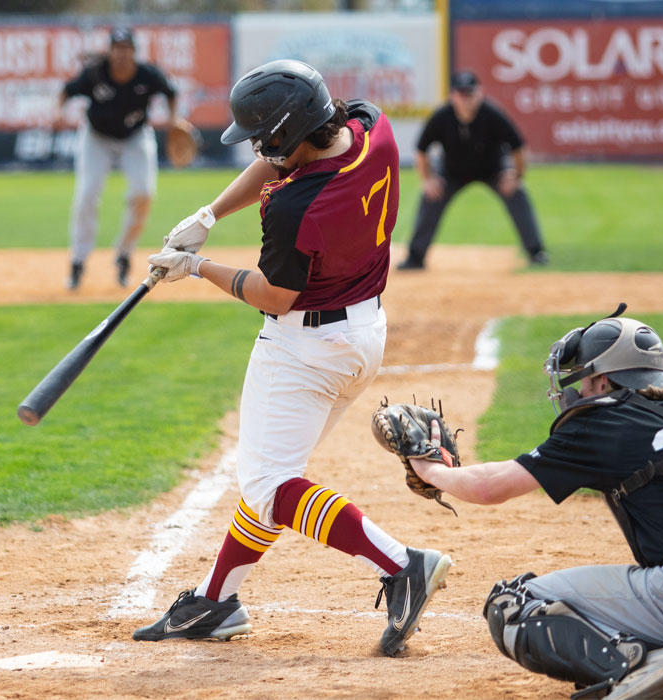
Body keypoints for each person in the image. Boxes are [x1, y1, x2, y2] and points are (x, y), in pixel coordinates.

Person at [131, 59, 452, 657]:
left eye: (265, 138)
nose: (259, 148)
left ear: (289, 133)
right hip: (363, 335)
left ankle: (401, 563)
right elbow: (287, 155)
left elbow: (275, 293)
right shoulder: (371, 129)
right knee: (269, 479)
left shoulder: (296, 207)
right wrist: (209, 215)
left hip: (304, 347)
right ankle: (217, 600)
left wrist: (196, 267)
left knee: (272, 484)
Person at [407, 308, 663, 699]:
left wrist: (431, 471)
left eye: (584, 381)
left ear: (604, 381)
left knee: (512, 602)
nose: (580, 392)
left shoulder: (603, 420)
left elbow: (490, 486)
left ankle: (638, 662)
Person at [55, 27, 188, 290]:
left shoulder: (147, 74)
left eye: (127, 48)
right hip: (97, 138)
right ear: (110, 51)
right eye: (117, 48)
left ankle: (124, 254)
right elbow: (66, 92)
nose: (122, 53)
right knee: (87, 194)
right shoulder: (95, 73)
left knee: (144, 194)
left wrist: (173, 119)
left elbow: (171, 93)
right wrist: (58, 113)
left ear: (134, 52)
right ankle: (78, 261)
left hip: (135, 137)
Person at [396, 70, 548, 270]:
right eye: (462, 94)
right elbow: (422, 150)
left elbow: (518, 146)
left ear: (480, 94)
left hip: (492, 169)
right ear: (453, 96)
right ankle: (416, 256)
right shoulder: (442, 117)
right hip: (452, 171)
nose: (466, 99)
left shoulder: (492, 114)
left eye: (470, 94)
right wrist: (428, 180)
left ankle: (536, 251)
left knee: (517, 192)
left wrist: (516, 176)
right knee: (430, 195)